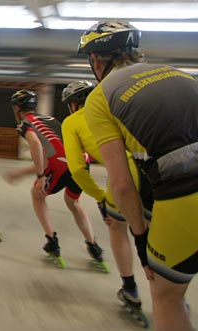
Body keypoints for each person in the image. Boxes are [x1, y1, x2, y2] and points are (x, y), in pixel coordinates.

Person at [79, 20, 197, 331]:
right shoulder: (181, 74)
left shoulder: (100, 97)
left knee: (166, 294)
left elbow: (120, 183)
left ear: (96, 60)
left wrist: (141, 238)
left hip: (185, 194)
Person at [61, 80, 153, 310]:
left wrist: (100, 197)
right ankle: (171, 293)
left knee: (118, 227)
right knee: (152, 232)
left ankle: (130, 289)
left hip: (123, 173)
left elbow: (78, 169)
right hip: (152, 168)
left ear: (74, 104)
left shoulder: (72, 122)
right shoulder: (115, 109)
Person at [3, 89, 103, 266]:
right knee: (73, 203)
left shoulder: (26, 123)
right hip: (81, 161)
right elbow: (50, 152)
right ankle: (93, 246)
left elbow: (36, 145)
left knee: (37, 194)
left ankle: (52, 241)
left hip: (61, 163)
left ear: (17, 107)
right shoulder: (50, 119)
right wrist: (21, 173)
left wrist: (41, 176)